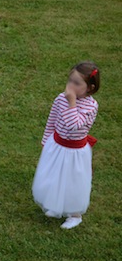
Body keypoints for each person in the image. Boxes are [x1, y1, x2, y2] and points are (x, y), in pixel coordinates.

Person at [32, 61, 100, 229]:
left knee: (72, 181)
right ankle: (56, 205)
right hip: (57, 145)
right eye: (70, 80)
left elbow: (73, 124)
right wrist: (46, 139)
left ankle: (75, 214)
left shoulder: (91, 106)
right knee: (55, 176)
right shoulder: (60, 99)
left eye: (76, 83)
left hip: (75, 151)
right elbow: (52, 120)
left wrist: (71, 102)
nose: (70, 86)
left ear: (90, 88)